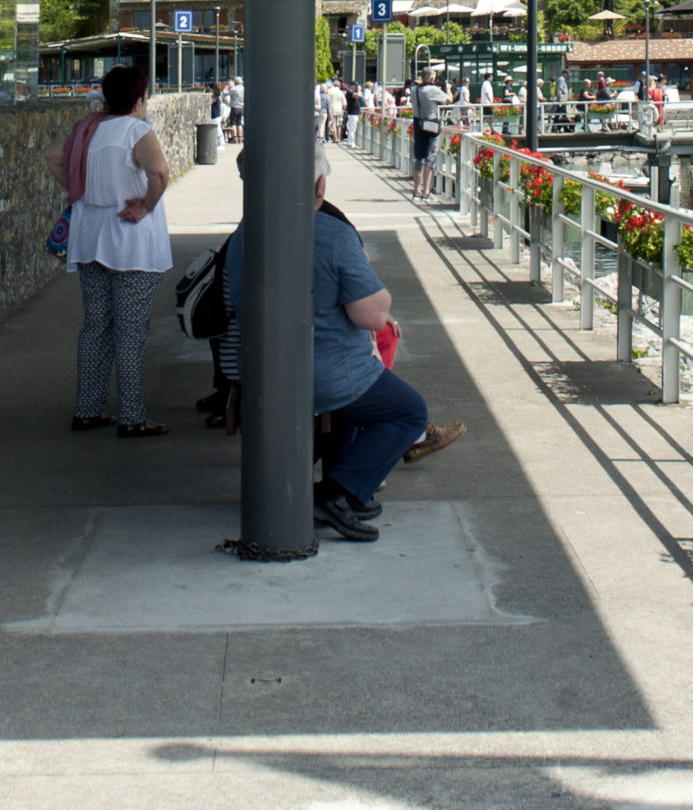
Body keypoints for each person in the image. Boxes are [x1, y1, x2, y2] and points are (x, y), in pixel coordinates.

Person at [224, 147, 458, 541]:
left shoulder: (242, 234)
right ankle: (336, 494)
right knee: (409, 411)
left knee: (354, 408)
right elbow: (368, 314)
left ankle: (347, 485)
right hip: (327, 373)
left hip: (261, 369)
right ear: (319, 185)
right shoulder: (332, 233)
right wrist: (384, 305)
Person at [67, 66, 174, 438]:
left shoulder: (88, 130)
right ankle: (131, 416)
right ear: (139, 99)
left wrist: (79, 194)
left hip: (89, 238)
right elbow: (159, 174)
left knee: (95, 327)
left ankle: (87, 409)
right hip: (131, 243)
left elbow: (53, 158)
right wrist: (145, 205)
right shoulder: (136, 131)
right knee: (130, 331)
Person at [408, 70, 448, 201]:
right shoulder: (432, 89)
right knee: (430, 158)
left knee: (419, 158)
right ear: (431, 78)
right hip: (431, 124)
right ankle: (426, 191)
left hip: (418, 123)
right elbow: (449, 99)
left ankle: (416, 191)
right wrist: (447, 87)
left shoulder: (414, 89)